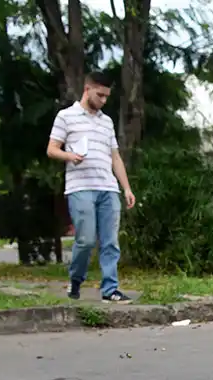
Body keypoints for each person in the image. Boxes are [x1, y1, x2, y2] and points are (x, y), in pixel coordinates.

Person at [47, 71, 138, 303]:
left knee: (110, 241)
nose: (104, 101)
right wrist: (70, 156)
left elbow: (115, 157)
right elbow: (51, 149)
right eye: (100, 95)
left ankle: (110, 289)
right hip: (80, 187)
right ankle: (76, 280)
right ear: (87, 89)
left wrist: (126, 188)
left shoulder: (106, 122)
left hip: (107, 187)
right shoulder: (66, 117)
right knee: (86, 240)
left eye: (107, 96)